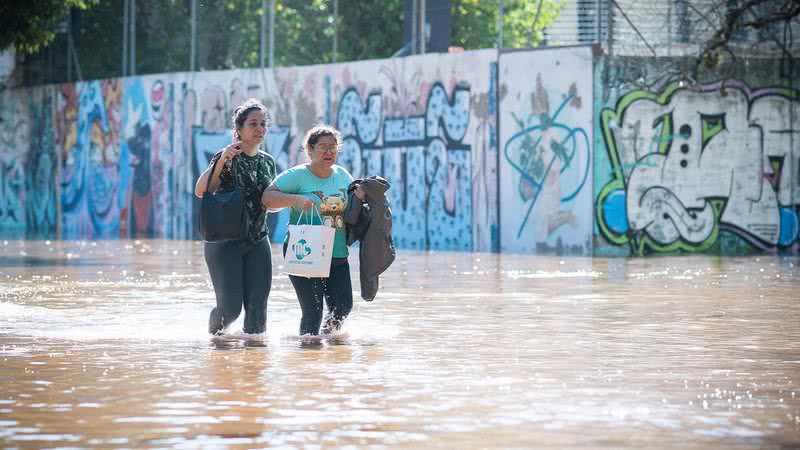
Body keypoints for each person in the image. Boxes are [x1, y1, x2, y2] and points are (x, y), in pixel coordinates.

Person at [262, 124, 365, 337]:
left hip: (336, 252)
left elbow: (352, 209)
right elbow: (267, 198)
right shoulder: (297, 176)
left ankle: (327, 348)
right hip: (304, 250)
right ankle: (308, 360)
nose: (329, 152)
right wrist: (296, 199)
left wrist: (362, 197)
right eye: (323, 147)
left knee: (343, 307)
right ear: (310, 150)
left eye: (333, 147)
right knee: (312, 313)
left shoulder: (343, 175)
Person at [194, 98, 277, 335]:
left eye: (263, 124)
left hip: (258, 240)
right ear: (239, 129)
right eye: (253, 124)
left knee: (257, 312)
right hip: (224, 242)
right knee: (230, 310)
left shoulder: (268, 162)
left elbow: (270, 202)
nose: (260, 129)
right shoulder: (226, 157)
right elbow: (201, 190)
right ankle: (213, 342)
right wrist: (222, 161)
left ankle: (252, 364)